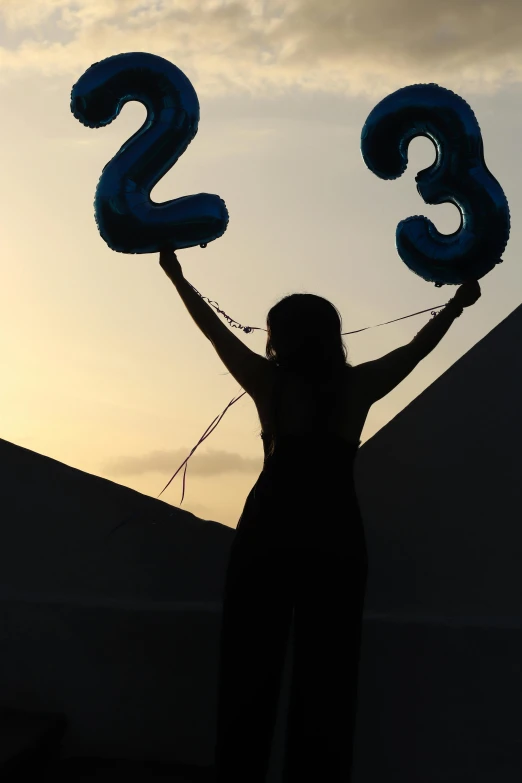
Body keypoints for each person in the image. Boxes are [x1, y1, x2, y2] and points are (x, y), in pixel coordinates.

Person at [159, 248, 481, 783]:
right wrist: (455, 307)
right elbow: (417, 350)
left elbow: (214, 332)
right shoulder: (358, 387)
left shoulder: (271, 385)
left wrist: (177, 277)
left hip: (268, 530)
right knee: (328, 674)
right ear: (333, 336)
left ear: (278, 338)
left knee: (249, 665)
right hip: (336, 534)